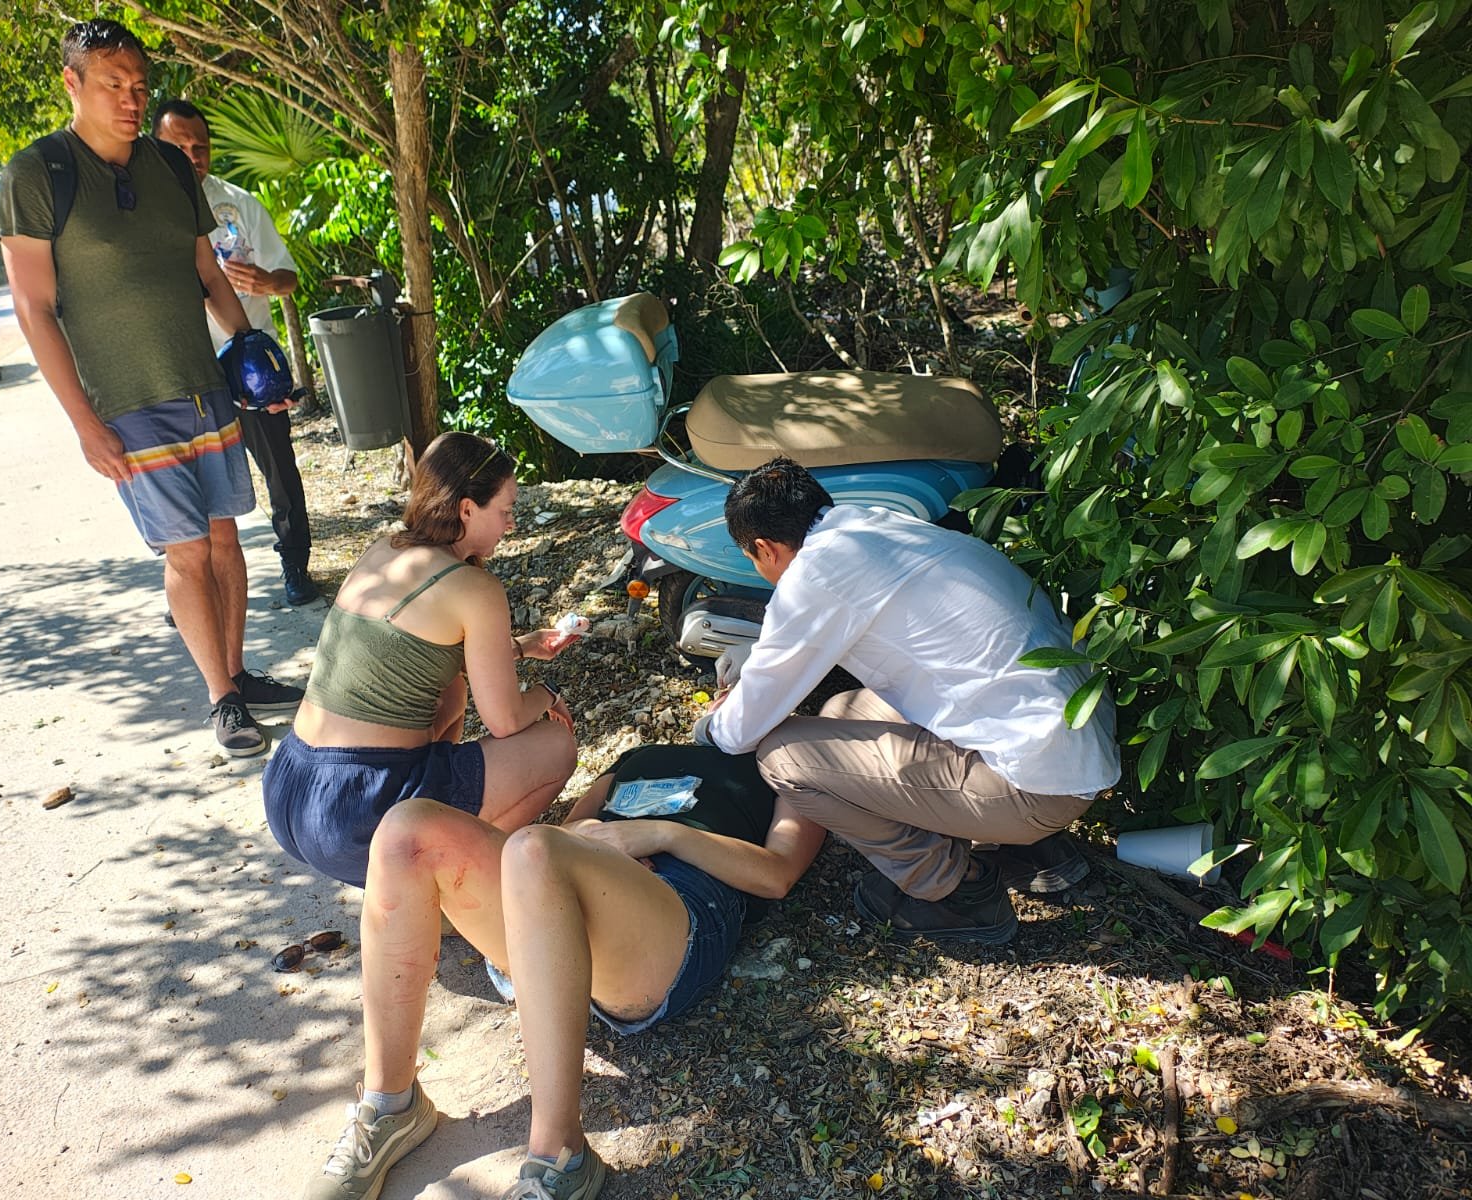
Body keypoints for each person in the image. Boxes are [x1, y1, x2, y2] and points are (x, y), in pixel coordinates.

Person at [298, 743, 825, 1200]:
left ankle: (561, 1157)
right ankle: (391, 1105)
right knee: (406, 828)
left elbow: (777, 874)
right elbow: (568, 831)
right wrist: (591, 844)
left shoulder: (789, 763)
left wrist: (660, 835)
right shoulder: (639, 758)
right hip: (568, 892)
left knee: (535, 845)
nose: (732, 681)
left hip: (679, 907)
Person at [0, 19, 303, 758]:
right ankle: (221, 700)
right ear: (72, 83)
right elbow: (34, 308)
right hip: (127, 401)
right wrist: (82, 423)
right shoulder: (39, 174)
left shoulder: (169, 167)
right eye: (112, 84)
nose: (131, 99)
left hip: (204, 385)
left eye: (138, 85)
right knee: (187, 552)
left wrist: (254, 358)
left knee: (227, 540)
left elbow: (208, 274)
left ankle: (236, 672)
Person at [691, 456, 1121, 945]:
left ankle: (958, 890)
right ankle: (1035, 850)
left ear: (765, 547)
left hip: (1036, 785)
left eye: (751, 557)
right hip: (1070, 746)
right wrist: (757, 656)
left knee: (783, 754)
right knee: (842, 712)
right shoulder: (874, 528)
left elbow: (741, 730)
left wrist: (710, 725)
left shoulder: (816, 575)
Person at [261, 431, 580, 892]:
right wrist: (549, 695)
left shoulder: (386, 551)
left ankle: (433, 858)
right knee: (555, 746)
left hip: (292, 791)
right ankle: (462, 887)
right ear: (467, 508)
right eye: (506, 511)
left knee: (452, 690)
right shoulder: (475, 589)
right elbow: (506, 720)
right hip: (357, 812)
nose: (511, 524)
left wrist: (521, 647)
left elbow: (411, 651)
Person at [151, 98, 320, 608]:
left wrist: (268, 281)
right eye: (178, 145)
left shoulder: (237, 205)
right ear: (153, 147)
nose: (191, 154)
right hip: (181, 369)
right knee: (185, 485)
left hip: (247, 370)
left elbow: (288, 278)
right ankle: (189, 587)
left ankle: (295, 563)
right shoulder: (140, 214)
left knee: (279, 470)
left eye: (199, 146)